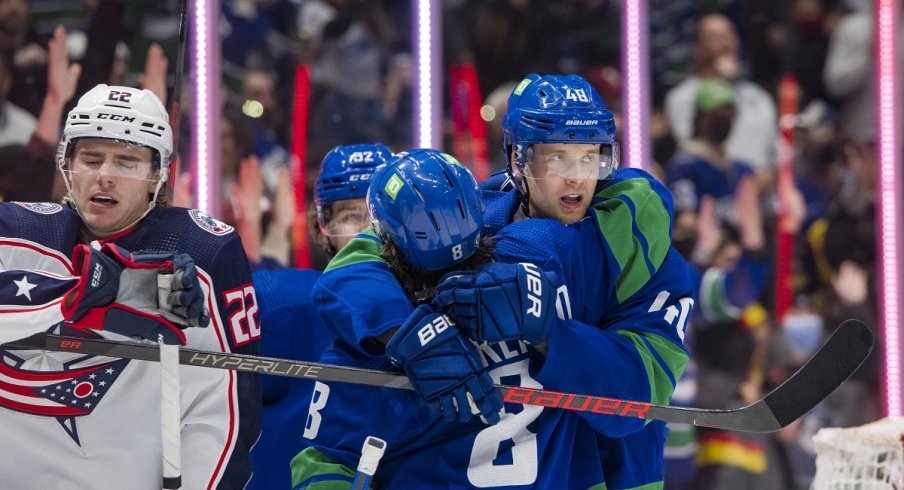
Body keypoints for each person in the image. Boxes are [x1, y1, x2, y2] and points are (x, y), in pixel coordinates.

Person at [293, 74, 694, 488]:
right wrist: (410, 334)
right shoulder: (462, 219)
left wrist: (548, 332)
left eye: (590, 156)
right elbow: (355, 262)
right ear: (518, 158)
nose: (576, 177)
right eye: (558, 157)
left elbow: (640, 394)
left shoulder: (634, 247)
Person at [0, 84, 261, 489]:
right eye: (90, 158)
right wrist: (101, 295)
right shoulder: (17, 232)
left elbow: (222, 411)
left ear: (158, 173)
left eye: (126, 162)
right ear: (66, 161)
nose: (104, 175)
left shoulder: (202, 253)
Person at [248, 143, 391, 490]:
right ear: (322, 227)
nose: (364, 233)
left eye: (378, 215)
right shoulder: (284, 301)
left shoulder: (432, 314)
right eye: (348, 216)